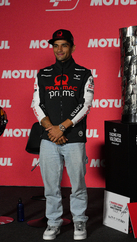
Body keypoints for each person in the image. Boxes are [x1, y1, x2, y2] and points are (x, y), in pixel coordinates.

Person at [32, 29, 94, 240]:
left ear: (73, 47)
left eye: (64, 45)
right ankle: (53, 222)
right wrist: (52, 129)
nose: (59, 49)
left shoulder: (84, 73)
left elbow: (85, 105)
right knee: (50, 185)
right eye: (56, 45)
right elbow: (36, 104)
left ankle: (79, 221)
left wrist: (63, 127)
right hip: (49, 138)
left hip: (73, 137)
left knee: (77, 183)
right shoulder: (43, 73)